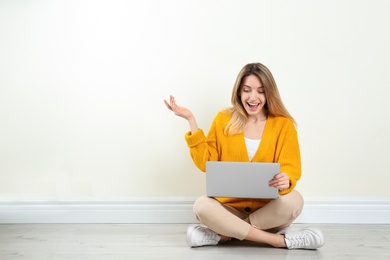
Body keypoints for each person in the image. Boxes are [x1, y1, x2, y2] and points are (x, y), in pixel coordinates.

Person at [164, 62, 324, 250]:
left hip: (266, 211)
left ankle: (223, 236)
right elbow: (205, 163)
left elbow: (291, 166)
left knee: (295, 200)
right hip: (230, 210)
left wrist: (286, 179)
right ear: (239, 92)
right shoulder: (224, 119)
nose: (253, 97)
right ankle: (278, 240)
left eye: (261, 91)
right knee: (201, 205)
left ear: (269, 93)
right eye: (247, 90)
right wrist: (191, 120)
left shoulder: (283, 125)